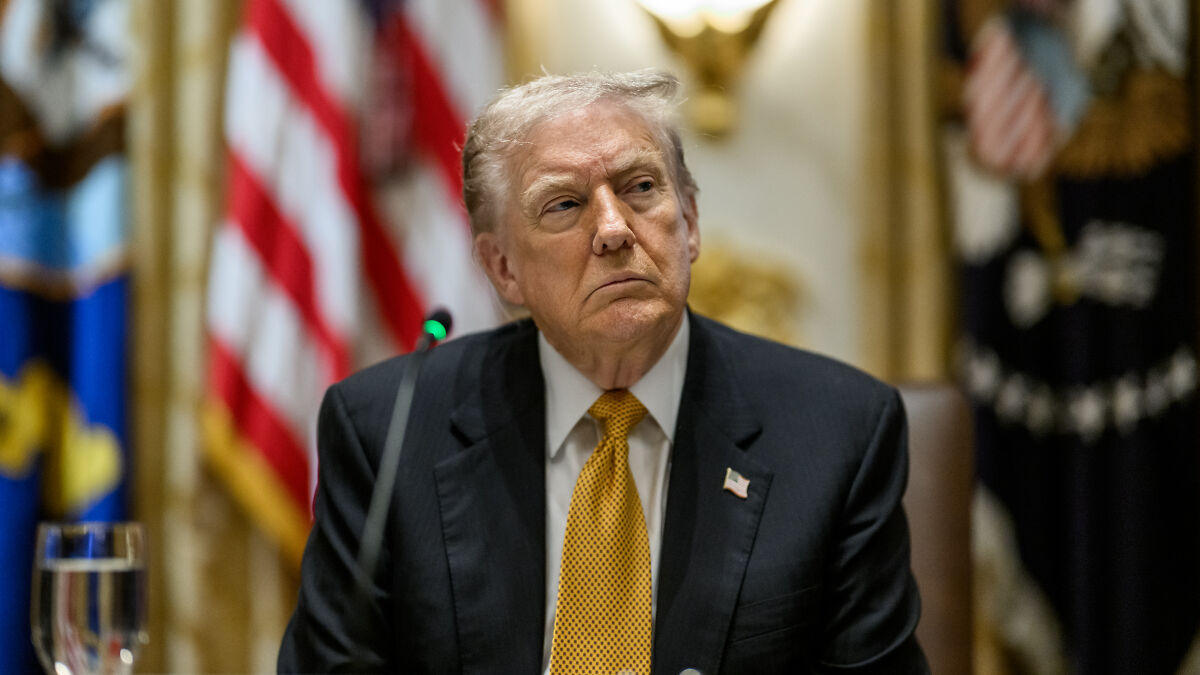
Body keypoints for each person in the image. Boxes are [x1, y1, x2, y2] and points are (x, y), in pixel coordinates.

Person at [278, 70, 928, 674]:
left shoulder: (838, 434)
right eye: (563, 205)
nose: (615, 228)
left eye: (641, 187)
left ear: (691, 223)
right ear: (504, 268)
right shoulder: (386, 433)